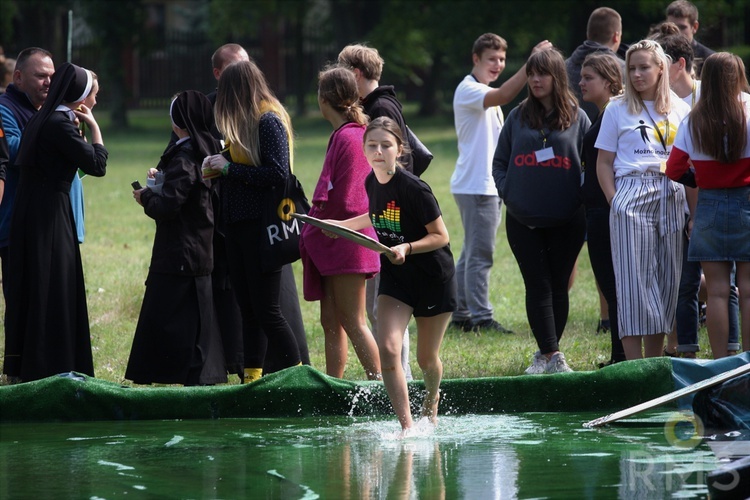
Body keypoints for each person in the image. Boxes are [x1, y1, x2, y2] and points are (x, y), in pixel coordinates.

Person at [329, 116, 456, 435]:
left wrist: (407, 249)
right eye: (371, 145)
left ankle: (431, 396)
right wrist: (342, 227)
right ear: (364, 149)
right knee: (388, 348)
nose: (378, 151)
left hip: (432, 278)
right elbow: (376, 215)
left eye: (386, 145)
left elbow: (441, 236)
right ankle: (406, 427)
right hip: (397, 280)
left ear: (399, 149)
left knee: (427, 360)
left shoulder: (415, 188)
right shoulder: (371, 183)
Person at [202, 43, 310, 380]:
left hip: (262, 228)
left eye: (226, 92)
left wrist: (229, 170)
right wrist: (220, 163)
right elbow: (252, 161)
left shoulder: (268, 120)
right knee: (248, 309)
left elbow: (278, 174)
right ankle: (252, 379)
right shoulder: (247, 120)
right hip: (237, 225)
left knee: (268, 311)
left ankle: (299, 378)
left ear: (237, 90)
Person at [3, 63, 107, 382]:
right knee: (54, 287)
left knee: (35, 287)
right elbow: (97, 165)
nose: (95, 103)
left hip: (33, 211)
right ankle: (53, 365)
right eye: (93, 96)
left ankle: (26, 366)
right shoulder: (59, 122)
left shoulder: (43, 117)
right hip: (50, 214)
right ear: (80, 96)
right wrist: (95, 130)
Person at [493, 49, 590, 374]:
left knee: (558, 284)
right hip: (523, 220)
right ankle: (549, 354)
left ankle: (550, 353)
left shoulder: (578, 117)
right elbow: (500, 162)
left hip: (568, 219)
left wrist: (579, 196)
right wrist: (510, 192)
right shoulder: (517, 116)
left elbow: (591, 162)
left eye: (542, 73)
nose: (535, 80)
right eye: (531, 73)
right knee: (537, 284)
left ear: (557, 77)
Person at [596, 39, 691, 360]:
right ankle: (633, 365)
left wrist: (692, 208)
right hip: (632, 192)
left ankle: (654, 361)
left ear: (660, 68)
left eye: (643, 67)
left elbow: (691, 161)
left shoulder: (680, 108)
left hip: (673, 192)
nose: (636, 74)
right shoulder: (617, 108)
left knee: (667, 282)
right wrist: (615, 201)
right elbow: (603, 163)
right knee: (633, 283)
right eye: (631, 68)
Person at [451, 33, 552, 334]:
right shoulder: (469, 90)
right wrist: (532, 62)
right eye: (492, 59)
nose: (498, 65)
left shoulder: (482, 91)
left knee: (471, 252)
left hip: (481, 184)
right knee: (481, 254)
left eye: (502, 59)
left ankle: (459, 311)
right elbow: (506, 95)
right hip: (477, 185)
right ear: (476, 59)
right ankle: (481, 317)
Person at [125, 91, 227, 385]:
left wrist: (145, 197)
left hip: (180, 253)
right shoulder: (205, 150)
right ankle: (202, 375)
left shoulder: (184, 158)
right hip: (199, 250)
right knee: (199, 321)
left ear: (177, 122)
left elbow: (168, 207)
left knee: (169, 321)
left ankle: (172, 373)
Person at [652, 25, 742, 358]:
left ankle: (719, 363)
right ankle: (742, 362)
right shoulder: (749, 111)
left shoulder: (693, 120)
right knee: (745, 289)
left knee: (716, 290)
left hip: (710, 204)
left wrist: (699, 178)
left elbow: (674, 170)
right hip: (746, 203)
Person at [337, 43, 413, 381]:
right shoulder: (379, 103)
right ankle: (399, 376)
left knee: (388, 306)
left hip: (392, 219)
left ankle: (402, 377)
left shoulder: (380, 107)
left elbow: (398, 168)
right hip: (386, 214)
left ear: (355, 73)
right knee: (381, 306)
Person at [299, 66, 381, 380]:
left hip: (347, 239)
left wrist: (329, 224)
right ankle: (335, 384)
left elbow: (352, 199)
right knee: (331, 321)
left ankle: (385, 391)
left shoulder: (350, 136)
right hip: (335, 239)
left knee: (354, 321)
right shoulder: (345, 133)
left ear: (324, 99)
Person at [578, 52, 627, 368]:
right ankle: (619, 354)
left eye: (588, 78)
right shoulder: (604, 114)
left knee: (614, 287)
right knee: (612, 289)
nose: (580, 83)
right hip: (597, 210)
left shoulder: (615, 113)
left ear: (609, 82)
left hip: (607, 210)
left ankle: (622, 356)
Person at [0, 48, 54, 304]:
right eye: (41, 76)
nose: (49, 82)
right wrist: (56, 140)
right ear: (18, 77)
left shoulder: (49, 112)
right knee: (21, 305)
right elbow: (11, 149)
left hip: (46, 225)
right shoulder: (4, 108)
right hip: (15, 224)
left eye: (52, 76)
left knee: (46, 303)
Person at [566, 7, 625, 122]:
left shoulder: (562, 67)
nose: (581, 83)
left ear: (588, 33)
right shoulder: (626, 69)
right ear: (616, 36)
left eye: (588, 78)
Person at [665, 0, 714, 74]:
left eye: (682, 27)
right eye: (671, 27)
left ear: (694, 27)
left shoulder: (709, 60)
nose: (676, 31)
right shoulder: (659, 56)